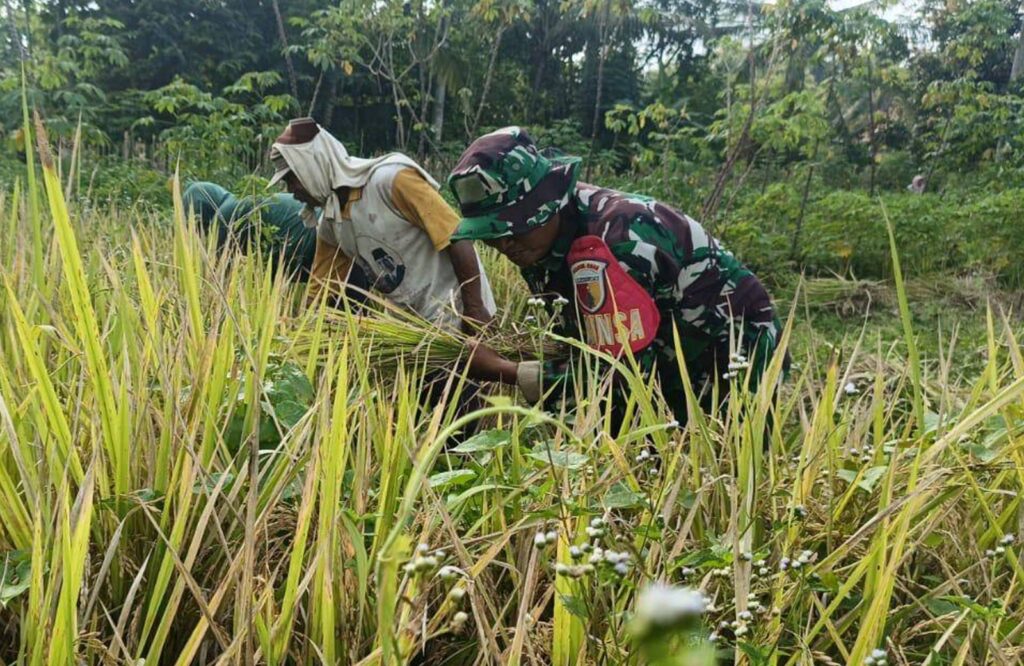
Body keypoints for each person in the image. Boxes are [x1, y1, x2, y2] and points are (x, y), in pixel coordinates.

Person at [450, 126, 786, 422]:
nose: (505, 244)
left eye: (514, 227)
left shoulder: (614, 242)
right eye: (492, 233)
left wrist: (503, 370)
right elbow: (584, 342)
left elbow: (619, 381)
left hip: (730, 355)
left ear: (547, 204)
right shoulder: (541, 241)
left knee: (717, 466)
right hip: (665, 349)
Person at [267, 117, 501, 390]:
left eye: (292, 179)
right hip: (415, 333)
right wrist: (292, 345)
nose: (291, 191)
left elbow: (457, 237)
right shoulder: (331, 224)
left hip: (458, 316)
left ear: (312, 166)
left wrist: (474, 310)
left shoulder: (391, 180)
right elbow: (321, 294)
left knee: (461, 410)